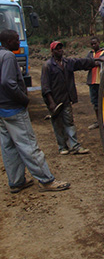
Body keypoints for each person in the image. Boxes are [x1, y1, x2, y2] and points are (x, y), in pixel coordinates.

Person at [0, 30, 70, 192]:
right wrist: (24, 100)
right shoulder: (9, 57)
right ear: (10, 41)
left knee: (8, 147)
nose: (19, 43)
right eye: (17, 40)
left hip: (2, 110)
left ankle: (16, 182)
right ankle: (46, 180)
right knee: (29, 146)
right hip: (14, 109)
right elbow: (7, 82)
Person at [41, 41, 100, 155]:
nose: (60, 50)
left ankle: (75, 145)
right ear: (52, 51)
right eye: (57, 49)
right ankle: (62, 146)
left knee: (69, 122)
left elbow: (81, 62)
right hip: (54, 101)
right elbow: (45, 86)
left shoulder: (67, 63)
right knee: (57, 124)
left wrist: (95, 61)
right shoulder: (47, 66)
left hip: (66, 99)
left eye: (61, 48)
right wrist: (51, 103)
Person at [86, 37, 104, 130]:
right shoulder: (90, 53)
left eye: (95, 43)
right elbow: (86, 64)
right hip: (92, 81)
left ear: (99, 42)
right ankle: (98, 121)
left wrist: (92, 61)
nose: (94, 45)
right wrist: (97, 61)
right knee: (95, 103)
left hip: (101, 81)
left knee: (103, 101)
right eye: (92, 44)